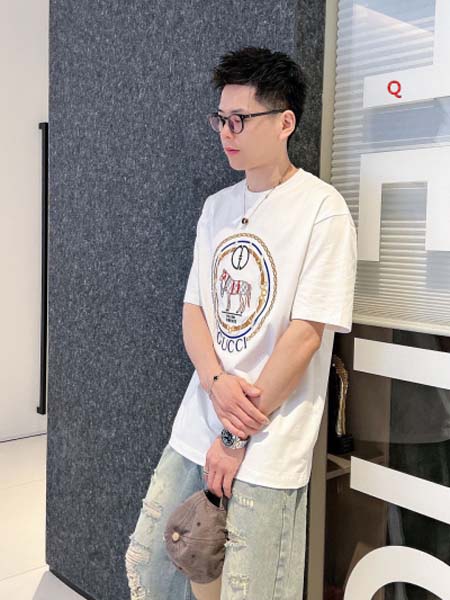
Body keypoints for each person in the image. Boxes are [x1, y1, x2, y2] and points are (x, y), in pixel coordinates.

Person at [125, 46, 358, 600]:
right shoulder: (217, 207)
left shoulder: (321, 209)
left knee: (249, 589)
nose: (226, 133)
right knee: (156, 567)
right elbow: (194, 311)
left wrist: (233, 436)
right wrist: (215, 383)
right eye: (221, 119)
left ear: (285, 122)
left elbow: (306, 335)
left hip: (269, 442)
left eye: (240, 119)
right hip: (198, 423)